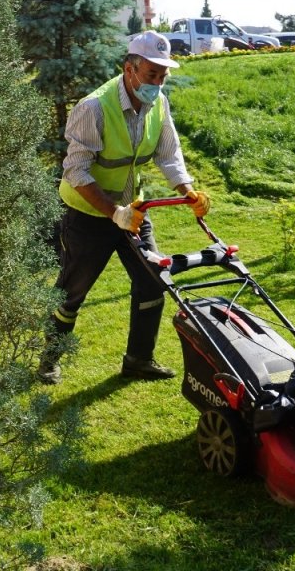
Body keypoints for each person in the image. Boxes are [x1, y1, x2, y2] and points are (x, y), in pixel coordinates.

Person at [39, 31, 210, 384]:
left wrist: (188, 190)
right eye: (151, 75)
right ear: (129, 69)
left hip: (133, 211)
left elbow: (168, 152)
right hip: (88, 215)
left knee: (153, 281)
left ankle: (138, 360)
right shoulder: (94, 108)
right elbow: (76, 170)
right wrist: (111, 212)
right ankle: (49, 359)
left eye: (163, 77)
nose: (158, 84)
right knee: (72, 292)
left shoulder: (157, 102)